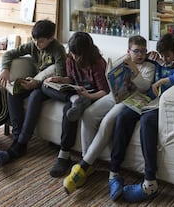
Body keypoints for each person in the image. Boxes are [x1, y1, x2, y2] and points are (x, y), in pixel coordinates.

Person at [108, 33, 174, 203]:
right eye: (162, 55)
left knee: (147, 121)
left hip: (160, 106)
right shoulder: (157, 61)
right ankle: (114, 173)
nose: (164, 59)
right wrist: (150, 57)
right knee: (123, 117)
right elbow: (141, 63)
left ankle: (150, 182)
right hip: (147, 101)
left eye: (168, 55)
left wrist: (164, 80)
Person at [63, 35, 155, 195]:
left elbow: (145, 86)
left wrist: (134, 68)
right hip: (115, 95)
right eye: (136, 51)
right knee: (88, 114)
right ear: (129, 51)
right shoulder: (123, 60)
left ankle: (83, 166)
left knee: (107, 122)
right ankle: (89, 163)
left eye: (143, 51)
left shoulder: (149, 66)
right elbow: (110, 78)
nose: (140, 54)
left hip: (131, 100)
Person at [0, 19, 67, 166]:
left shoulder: (58, 50)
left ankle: (21, 142)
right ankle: (17, 137)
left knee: (35, 96)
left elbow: (59, 75)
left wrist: (37, 82)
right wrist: (5, 69)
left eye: (41, 41)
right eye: (34, 40)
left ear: (51, 38)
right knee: (12, 91)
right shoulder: (33, 45)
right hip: (33, 81)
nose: (37, 44)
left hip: (47, 86)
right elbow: (9, 54)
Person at [45, 32, 112, 178]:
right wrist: (60, 79)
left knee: (68, 110)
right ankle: (74, 99)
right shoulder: (70, 59)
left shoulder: (98, 63)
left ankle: (63, 155)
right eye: (73, 53)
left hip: (92, 95)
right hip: (76, 93)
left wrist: (88, 95)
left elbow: (104, 92)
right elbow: (71, 78)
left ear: (86, 52)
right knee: (44, 86)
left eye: (77, 55)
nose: (74, 57)